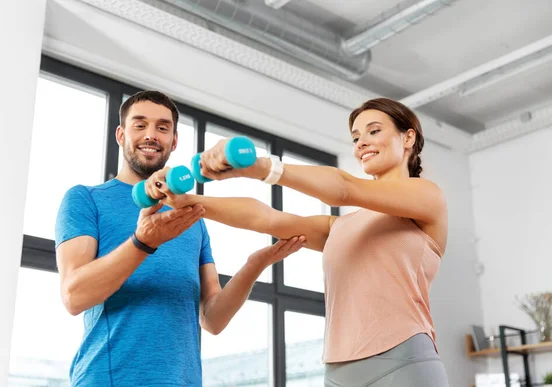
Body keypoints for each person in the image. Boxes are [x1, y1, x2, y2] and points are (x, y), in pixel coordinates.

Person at [147, 97, 450, 386]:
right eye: (356, 137)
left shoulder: (427, 198)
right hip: (338, 370)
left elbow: (344, 188)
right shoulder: (341, 226)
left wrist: (263, 167)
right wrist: (187, 201)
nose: (361, 143)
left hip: (403, 361)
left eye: (374, 131)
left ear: (408, 138)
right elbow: (265, 218)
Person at [54, 90, 306, 387]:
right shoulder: (86, 199)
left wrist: (255, 264)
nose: (151, 135)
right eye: (139, 125)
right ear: (121, 135)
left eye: (162, 127)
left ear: (174, 141)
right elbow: (74, 296)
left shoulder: (190, 218)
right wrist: (142, 242)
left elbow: (212, 320)